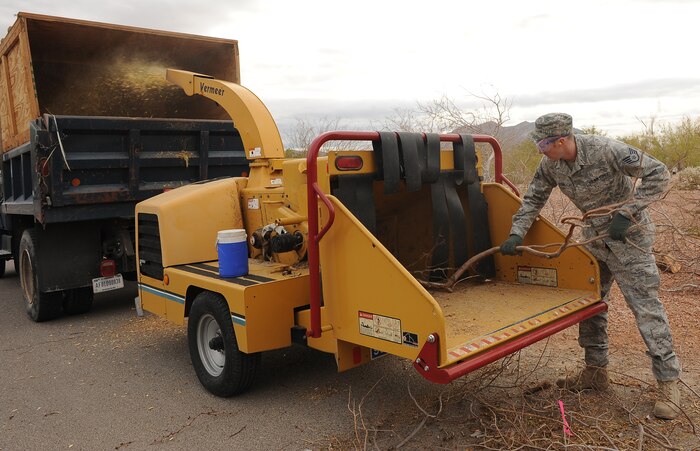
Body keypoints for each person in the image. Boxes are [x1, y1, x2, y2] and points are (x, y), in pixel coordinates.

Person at [500, 113, 682, 419]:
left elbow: (659, 173)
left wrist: (629, 210)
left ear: (561, 140)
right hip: (594, 243)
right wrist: (517, 231)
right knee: (591, 304)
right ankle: (595, 372)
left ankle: (668, 382)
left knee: (647, 310)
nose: (540, 150)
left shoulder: (606, 150)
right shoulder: (550, 165)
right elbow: (533, 198)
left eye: (544, 144)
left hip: (629, 241)